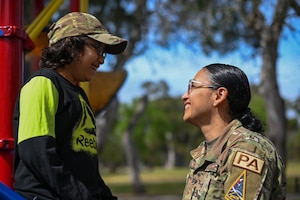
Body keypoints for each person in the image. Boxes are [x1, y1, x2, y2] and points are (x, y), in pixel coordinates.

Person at [13, 12, 127, 200]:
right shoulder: (42, 84)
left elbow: (88, 168)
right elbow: (39, 155)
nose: (102, 59)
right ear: (71, 45)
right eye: (98, 49)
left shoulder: (79, 95)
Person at [181, 63, 286, 200]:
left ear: (219, 95)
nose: (184, 96)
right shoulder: (204, 153)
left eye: (192, 86)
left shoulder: (248, 149)